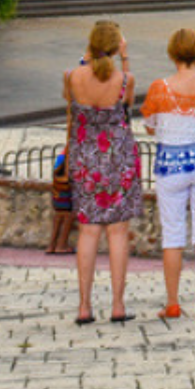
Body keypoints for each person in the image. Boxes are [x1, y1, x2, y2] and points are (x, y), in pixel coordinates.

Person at [141, 28, 195, 318]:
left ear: (172, 52)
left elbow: (150, 125)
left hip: (171, 165)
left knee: (173, 234)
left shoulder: (159, 87)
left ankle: (173, 302)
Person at [64, 21, 140, 324]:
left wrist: (86, 57)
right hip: (119, 159)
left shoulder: (72, 77)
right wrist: (125, 58)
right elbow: (128, 108)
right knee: (118, 231)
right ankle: (118, 305)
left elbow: (69, 108)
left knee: (88, 231)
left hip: (86, 159)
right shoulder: (126, 79)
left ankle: (84, 306)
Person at [45, 152, 75, 255]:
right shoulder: (74, 156)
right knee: (68, 216)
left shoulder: (61, 156)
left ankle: (51, 245)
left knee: (58, 217)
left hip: (57, 191)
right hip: (67, 192)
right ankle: (61, 245)